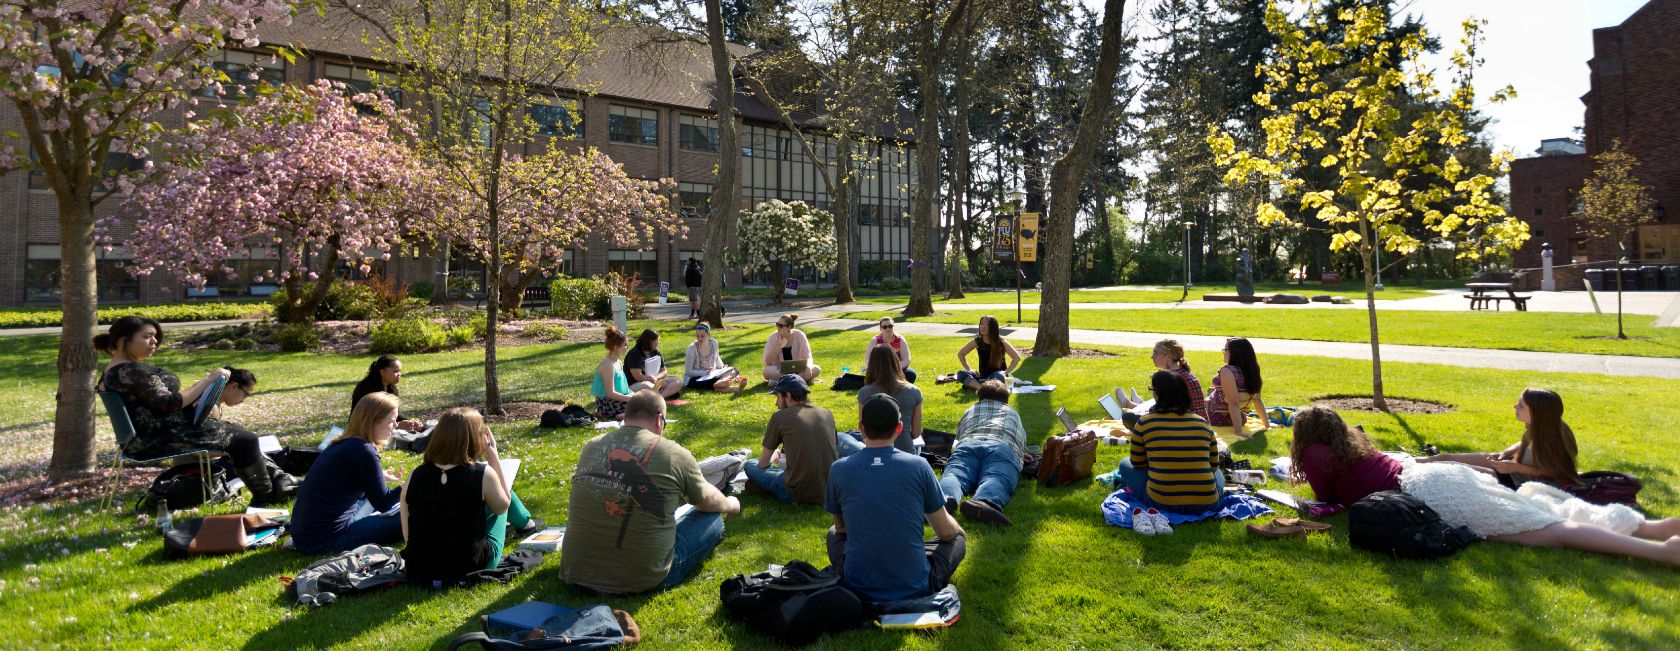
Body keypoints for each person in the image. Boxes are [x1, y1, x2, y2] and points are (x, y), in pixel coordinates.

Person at [94, 316, 297, 505]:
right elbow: (170, 403)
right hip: (157, 437)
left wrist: (200, 390)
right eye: (146, 336)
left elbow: (161, 401)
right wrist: (208, 381)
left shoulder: (120, 370)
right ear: (122, 340)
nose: (154, 341)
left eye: (155, 336)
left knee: (238, 436)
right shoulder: (129, 371)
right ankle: (267, 496)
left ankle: (278, 486)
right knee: (245, 440)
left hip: (155, 433)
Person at [560, 390, 742, 594]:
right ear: (659, 420)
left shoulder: (592, 446)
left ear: (625, 417)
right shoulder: (673, 453)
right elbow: (707, 501)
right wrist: (731, 504)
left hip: (576, 573)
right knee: (713, 519)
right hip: (644, 579)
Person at [826, 394, 966, 603]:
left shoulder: (839, 469)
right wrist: (957, 530)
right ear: (899, 428)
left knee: (832, 534)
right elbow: (945, 532)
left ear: (860, 427)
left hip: (857, 587)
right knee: (956, 537)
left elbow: (841, 528)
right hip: (916, 586)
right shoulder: (918, 466)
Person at [400, 407, 542, 585]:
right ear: (476, 439)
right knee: (502, 494)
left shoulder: (415, 475)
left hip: (420, 568)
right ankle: (526, 523)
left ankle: (526, 522)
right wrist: (494, 459)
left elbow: (408, 536)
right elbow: (502, 506)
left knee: (486, 495)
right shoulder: (482, 473)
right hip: (470, 565)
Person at [292, 392, 406, 553]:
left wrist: (378, 476)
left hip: (304, 535)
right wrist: (407, 484)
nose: (395, 426)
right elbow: (383, 503)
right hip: (327, 540)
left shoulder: (343, 443)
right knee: (413, 513)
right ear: (372, 422)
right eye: (391, 421)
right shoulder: (364, 450)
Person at [1418, 388, 1579, 488]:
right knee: (1444, 457)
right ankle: (1405, 462)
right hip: (1509, 469)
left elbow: (1555, 472)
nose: (1515, 407)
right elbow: (1523, 442)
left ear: (1536, 413)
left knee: (1451, 467)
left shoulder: (1551, 439)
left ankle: (1403, 471)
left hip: (1517, 482)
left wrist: (1515, 468)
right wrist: (1505, 454)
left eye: (1521, 405)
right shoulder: (1542, 425)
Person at [1119, 370, 1224, 514]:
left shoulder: (1144, 423)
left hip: (1160, 503)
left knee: (1125, 463)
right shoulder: (1202, 423)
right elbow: (1213, 466)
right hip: (1207, 503)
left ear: (1157, 394)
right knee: (1218, 473)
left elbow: (1138, 464)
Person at [941, 380, 1026, 527]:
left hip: (968, 445)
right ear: (1006, 398)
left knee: (955, 474)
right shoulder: (1013, 413)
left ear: (979, 396)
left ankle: (943, 498)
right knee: (997, 477)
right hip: (1001, 447)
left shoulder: (970, 410)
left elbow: (960, 434)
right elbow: (1020, 439)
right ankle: (985, 501)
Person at [745, 375, 840, 504]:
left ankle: (765, 487)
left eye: (778, 397)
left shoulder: (779, 417)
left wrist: (775, 454)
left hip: (795, 492)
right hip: (829, 490)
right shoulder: (826, 413)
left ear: (788, 396)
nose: (776, 403)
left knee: (749, 465)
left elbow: (762, 464)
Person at [1288, 406, 1403, 507]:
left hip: (1392, 495)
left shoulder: (1312, 453)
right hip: (1402, 474)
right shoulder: (1352, 438)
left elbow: (1325, 498)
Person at [854, 345, 923, 453]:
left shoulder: (865, 392)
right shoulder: (914, 391)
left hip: (873, 453)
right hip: (905, 451)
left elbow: (864, 432)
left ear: (872, 365)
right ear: (896, 361)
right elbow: (916, 433)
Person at [1207, 337, 1268, 438]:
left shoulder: (1227, 371)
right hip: (1240, 418)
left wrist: (1238, 432)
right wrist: (1267, 425)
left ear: (1234, 353)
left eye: (1225, 350)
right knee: (1211, 390)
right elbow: (1257, 400)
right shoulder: (1252, 370)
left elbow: (1233, 402)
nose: (1223, 352)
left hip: (1214, 417)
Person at [351, 355, 424, 432]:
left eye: (400, 371)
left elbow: (394, 412)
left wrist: (409, 423)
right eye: (396, 371)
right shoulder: (366, 390)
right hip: (362, 432)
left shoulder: (391, 388)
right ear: (382, 372)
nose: (399, 374)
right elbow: (369, 420)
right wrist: (398, 425)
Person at [952, 315, 1020, 390]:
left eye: (987, 324)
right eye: (981, 324)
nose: (983, 326)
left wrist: (1006, 372)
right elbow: (961, 354)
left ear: (993, 327)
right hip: (982, 377)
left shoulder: (1001, 341)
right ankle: (981, 388)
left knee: (998, 376)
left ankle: (978, 386)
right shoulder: (977, 341)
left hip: (998, 376)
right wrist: (969, 369)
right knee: (961, 374)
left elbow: (1016, 358)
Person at [682, 323, 747, 392]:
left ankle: (725, 384)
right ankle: (726, 384)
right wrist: (705, 373)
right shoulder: (691, 348)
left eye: (702, 336)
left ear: (708, 335)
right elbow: (688, 371)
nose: (699, 339)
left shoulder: (714, 343)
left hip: (712, 375)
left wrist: (723, 367)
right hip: (695, 378)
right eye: (697, 336)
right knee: (713, 381)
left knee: (734, 370)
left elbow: (716, 358)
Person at [761, 313, 821, 383]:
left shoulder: (800, 335)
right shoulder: (772, 338)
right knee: (767, 371)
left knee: (816, 369)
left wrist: (808, 366)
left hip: (798, 369)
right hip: (779, 370)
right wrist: (778, 347)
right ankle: (801, 380)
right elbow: (768, 362)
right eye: (777, 324)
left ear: (789, 327)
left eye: (780, 326)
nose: (778, 327)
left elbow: (808, 356)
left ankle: (778, 382)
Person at [624, 329, 684, 399]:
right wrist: (650, 379)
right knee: (647, 385)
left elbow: (664, 371)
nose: (658, 343)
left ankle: (659, 397)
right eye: (656, 341)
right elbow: (637, 376)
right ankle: (665, 393)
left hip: (655, 381)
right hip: (638, 384)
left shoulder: (656, 352)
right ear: (648, 341)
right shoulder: (634, 354)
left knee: (678, 382)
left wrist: (656, 378)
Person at [592, 327, 634, 420]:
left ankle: (626, 414)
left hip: (619, 398)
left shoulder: (618, 362)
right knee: (645, 407)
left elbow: (625, 388)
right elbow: (610, 393)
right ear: (616, 347)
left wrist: (634, 396)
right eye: (625, 345)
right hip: (608, 403)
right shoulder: (607, 366)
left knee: (646, 402)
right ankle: (622, 415)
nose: (627, 348)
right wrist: (631, 399)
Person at [862, 317, 916, 383]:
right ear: (880, 329)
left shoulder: (900, 340)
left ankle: (887, 382)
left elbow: (907, 359)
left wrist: (894, 369)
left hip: (896, 369)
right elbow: (868, 358)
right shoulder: (875, 340)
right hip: (880, 370)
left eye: (890, 326)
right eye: (885, 327)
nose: (888, 329)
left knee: (911, 374)